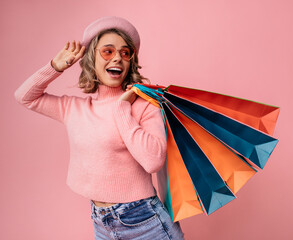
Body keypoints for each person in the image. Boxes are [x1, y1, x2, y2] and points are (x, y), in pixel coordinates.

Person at [14, 16, 184, 240]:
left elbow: (153, 161)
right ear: (92, 59)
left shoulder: (144, 106)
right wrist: (55, 67)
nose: (117, 58)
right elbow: (24, 97)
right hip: (101, 221)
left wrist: (122, 107)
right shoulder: (73, 108)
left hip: (145, 221)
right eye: (108, 51)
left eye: (125, 53)